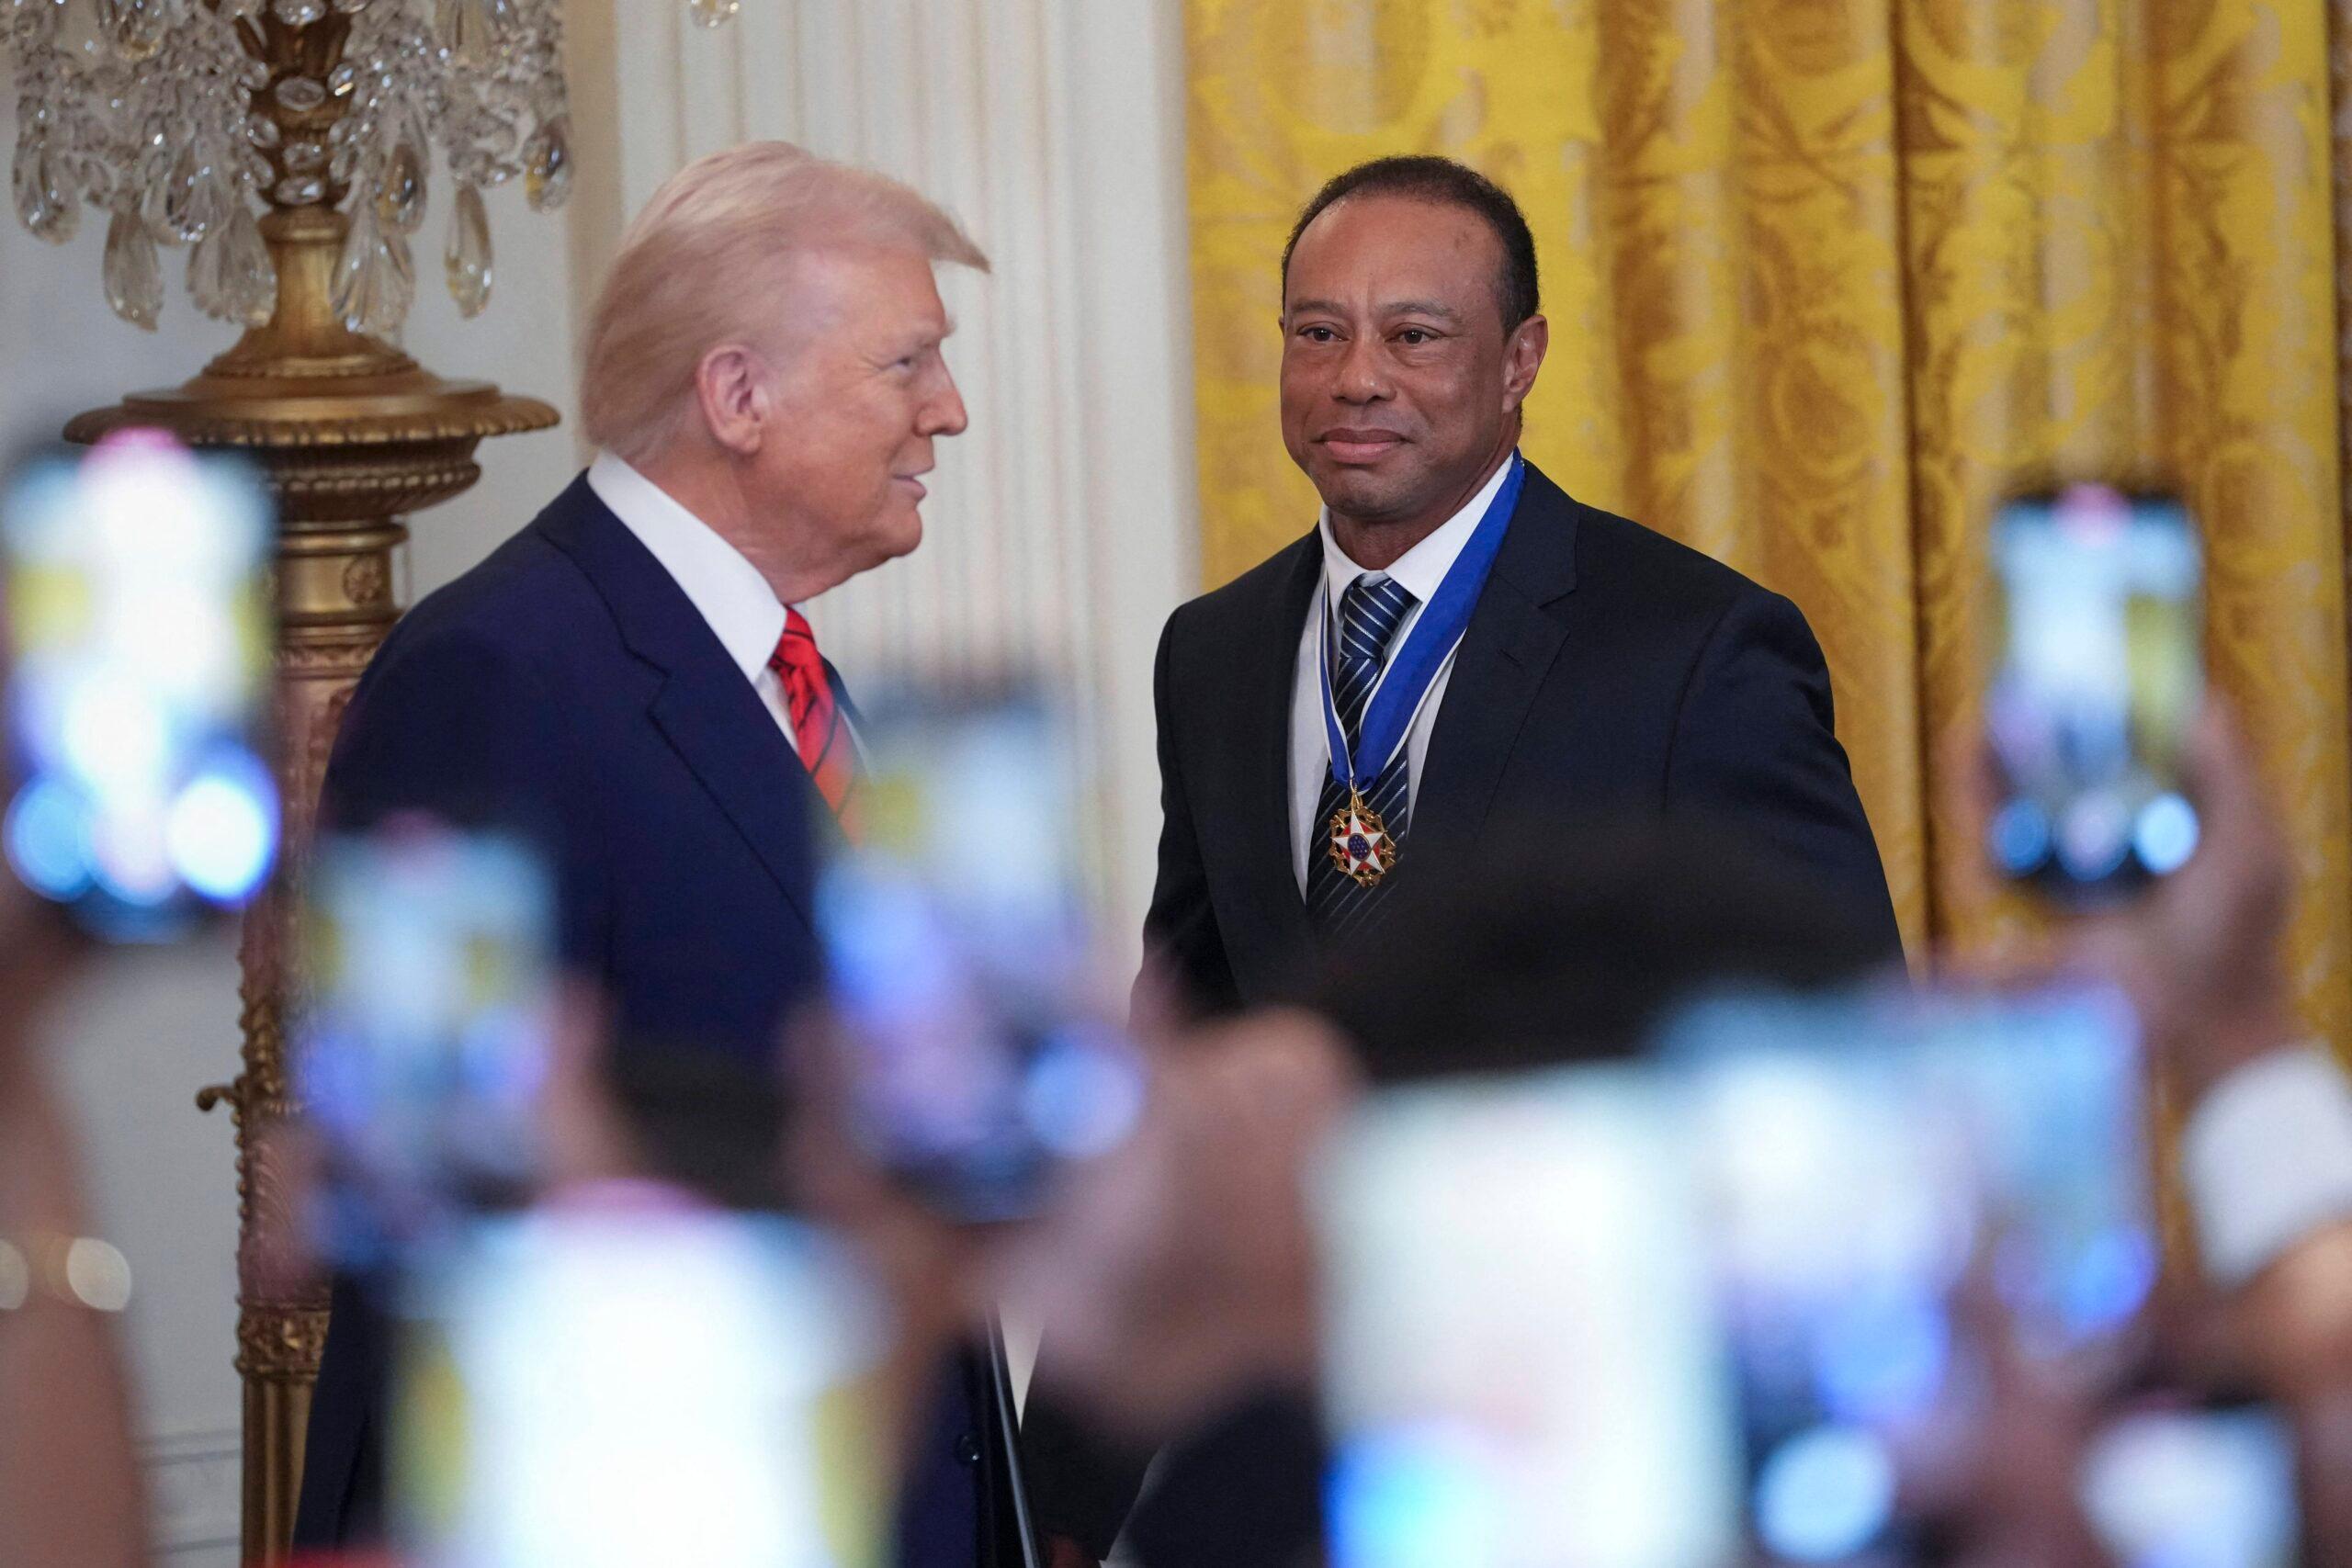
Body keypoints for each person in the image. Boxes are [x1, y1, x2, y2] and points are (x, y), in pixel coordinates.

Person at [290, 142, 1018, 1566]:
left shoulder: (779, 666)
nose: (951, 408)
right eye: (907, 363)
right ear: (738, 395)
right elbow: (430, 1182)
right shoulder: (489, 675)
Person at [1138, 153, 1902, 1018]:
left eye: (1413, 337)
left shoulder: (1700, 652)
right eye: (1318, 333)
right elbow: (1190, 1013)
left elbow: (1841, 1022)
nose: (1356, 379)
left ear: (1519, 361)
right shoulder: (1209, 652)